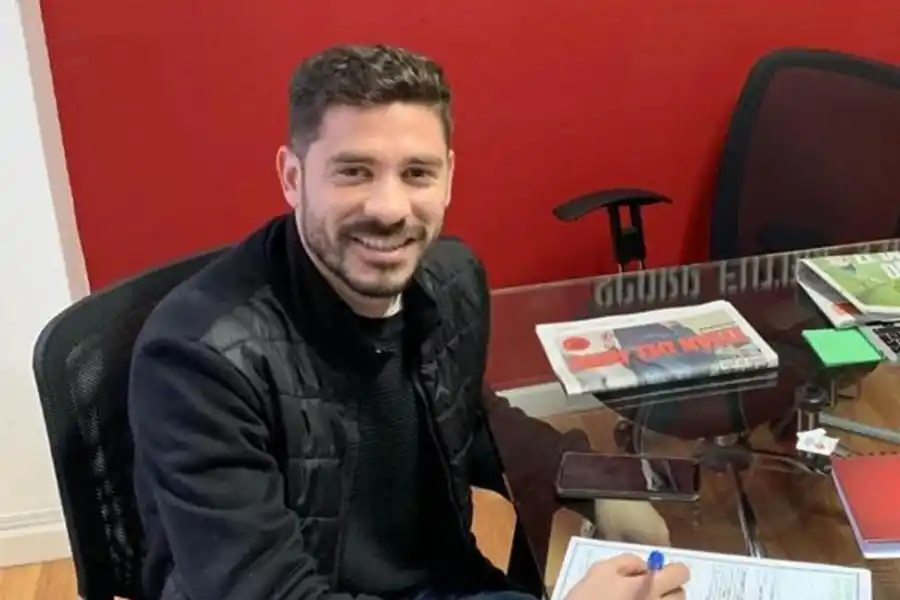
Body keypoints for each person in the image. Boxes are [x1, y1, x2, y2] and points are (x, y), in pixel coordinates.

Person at [128, 44, 688, 600]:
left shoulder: (450, 277)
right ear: (293, 177)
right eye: (353, 171)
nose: (390, 208)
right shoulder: (196, 359)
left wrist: (602, 483)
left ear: (448, 178)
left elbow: (471, 418)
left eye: (417, 172)